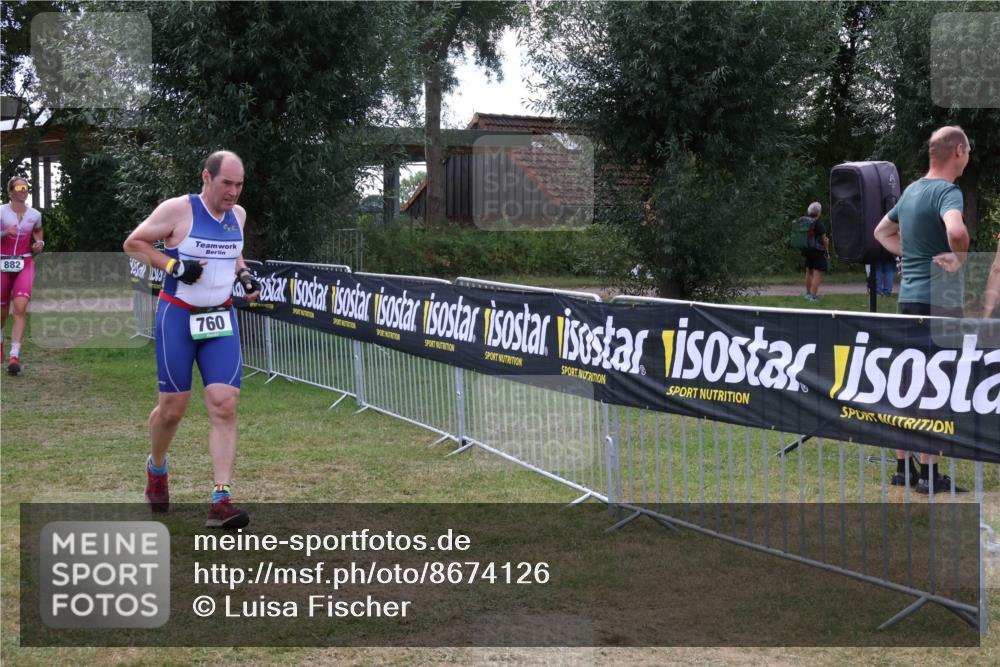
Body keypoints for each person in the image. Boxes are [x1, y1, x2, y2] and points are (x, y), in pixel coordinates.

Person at [123, 151, 261, 528]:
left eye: (239, 184)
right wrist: (173, 265)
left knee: (224, 404)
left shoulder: (238, 216)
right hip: (178, 317)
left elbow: (234, 253)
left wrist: (245, 275)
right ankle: (157, 468)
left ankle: (221, 499)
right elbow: (133, 243)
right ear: (206, 177)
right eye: (226, 184)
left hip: (220, 319)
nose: (233, 192)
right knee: (173, 409)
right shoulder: (178, 210)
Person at [874, 125, 971, 494]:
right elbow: (957, 232)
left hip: (909, 300)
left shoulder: (912, 190)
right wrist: (959, 259)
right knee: (937, 386)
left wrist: (910, 254)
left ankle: (903, 468)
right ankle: (929, 474)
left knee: (908, 384)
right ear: (958, 151)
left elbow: (880, 232)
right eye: (968, 152)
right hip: (941, 301)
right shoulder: (948, 192)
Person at [1, 177, 44, 376]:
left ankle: (14, 356)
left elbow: (38, 232)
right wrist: (4, 233)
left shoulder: (35, 214)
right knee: (2, 311)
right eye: (19, 187)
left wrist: (39, 244)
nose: (24, 190)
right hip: (2, 262)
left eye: (26, 187)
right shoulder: (1, 211)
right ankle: (1, 341)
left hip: (24, 263)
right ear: (10, 191)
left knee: (20, 307)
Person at [801, 202, 829, 302]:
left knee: (808, 271)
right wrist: (827, 251)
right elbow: (824, 240)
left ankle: (808, 294)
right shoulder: (819, 224)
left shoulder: (805, 222)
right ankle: (813, 297)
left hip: (808, 250)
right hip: (818, 251)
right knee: (817, 273)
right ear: (819, 212)